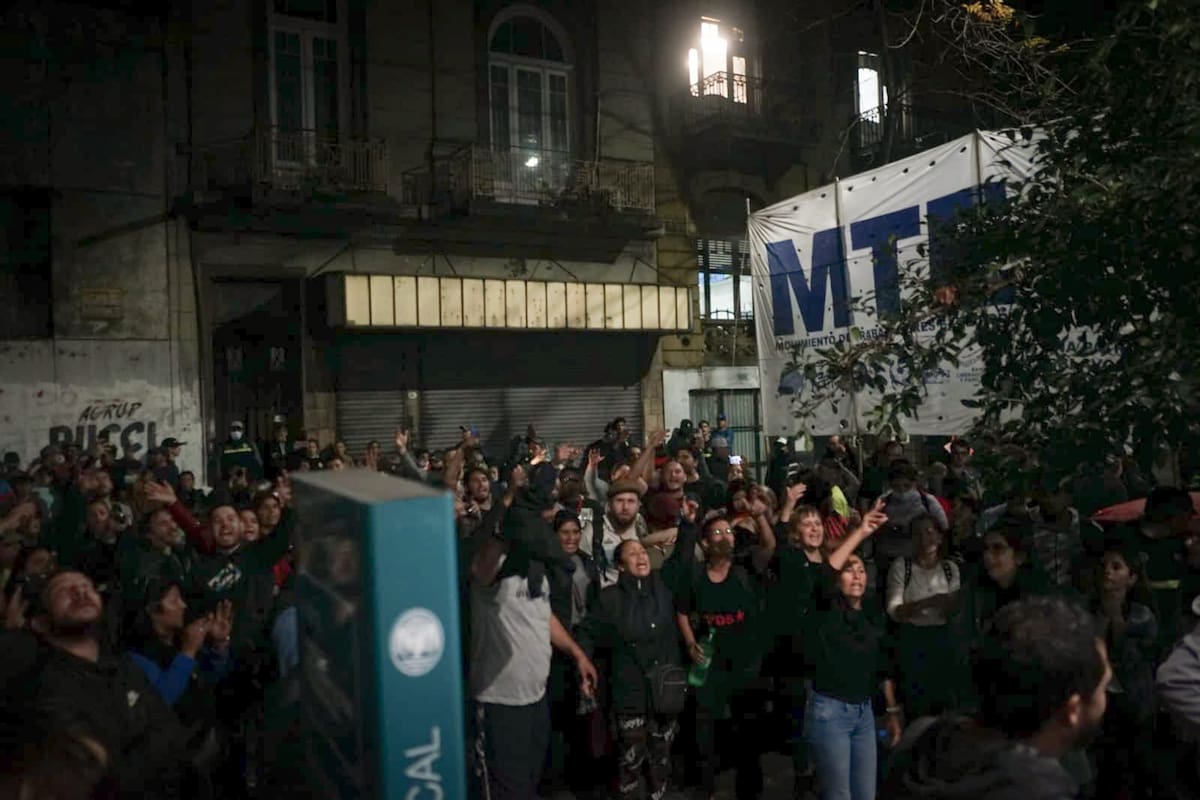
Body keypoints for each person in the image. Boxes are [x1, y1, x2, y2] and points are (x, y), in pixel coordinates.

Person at [885, 596, 1112, 800]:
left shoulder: (920, 739)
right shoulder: (1042, 791)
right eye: (1103, 687)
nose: (1104, 699)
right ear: (1073, 709)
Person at [0, 569, 188, 798]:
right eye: (64, 591)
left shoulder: (123, 667)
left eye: (87, 586)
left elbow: (168, 730)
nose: (80, 591)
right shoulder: (43, 686)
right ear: (40, 623)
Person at [468, 476, 598, 800]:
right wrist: (510, 507)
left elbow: (543, 616)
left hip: (535, 699)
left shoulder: (537, 566)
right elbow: (480, 557)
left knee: (528, 784)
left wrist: (577, 653)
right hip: (499, 702)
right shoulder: (493, 565)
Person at [675, 506, 776, 800]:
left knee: (748, 734)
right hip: (710, 666)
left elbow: (769, 545)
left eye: (729, 531)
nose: (725, 537)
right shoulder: (695, 577)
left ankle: (750, 791)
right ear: (705, 543)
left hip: (746, 666)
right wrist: (691, 643)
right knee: (705, 733)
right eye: (717, 532)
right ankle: (705, 788)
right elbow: (682, 612)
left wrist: (759, 515)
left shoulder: (746, 569)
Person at [801, 499, 899, 800]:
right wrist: (860, 532)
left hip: (864, 712)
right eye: (849, 570)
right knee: (839, 794)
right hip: (831, 711)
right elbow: (824, 576)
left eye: (861, 570)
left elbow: (884, 665)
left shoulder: (872, 613)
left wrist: (892, 710)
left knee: (866, 794)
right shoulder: (825, 610)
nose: (856, 574)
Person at [577, 537, 688, 799]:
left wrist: (688, 527)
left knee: (661, 757)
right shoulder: (609, 599)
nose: (641, 556)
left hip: (664, 692)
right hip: (631, 693)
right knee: (631, 760)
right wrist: (583, 664)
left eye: (643, 551)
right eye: (632, 553)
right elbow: (587, 633)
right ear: (620, 566)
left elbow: (682, 558)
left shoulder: (663, 586)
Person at [1087, 540, 1157, 800]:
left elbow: (1131, 659)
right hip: (1099, 704)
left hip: (1134, 702)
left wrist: (1115, 615)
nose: (1108, 571)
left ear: (1132, 577)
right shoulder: (1088, 609)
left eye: (1117, 567)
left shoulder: (1142, 615)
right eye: (1105, 565)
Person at [887, 514, 962, 719]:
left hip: (942, 640)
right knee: (915, 704)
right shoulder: (903, 566)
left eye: (930, 532)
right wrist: (930, 602)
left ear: (939, 537)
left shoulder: (949, 569)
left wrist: (947, 605)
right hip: (912, 641)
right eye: (918, 533)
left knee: (942, 703)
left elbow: (954, 607)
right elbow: (895, 610)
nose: (925, 538)